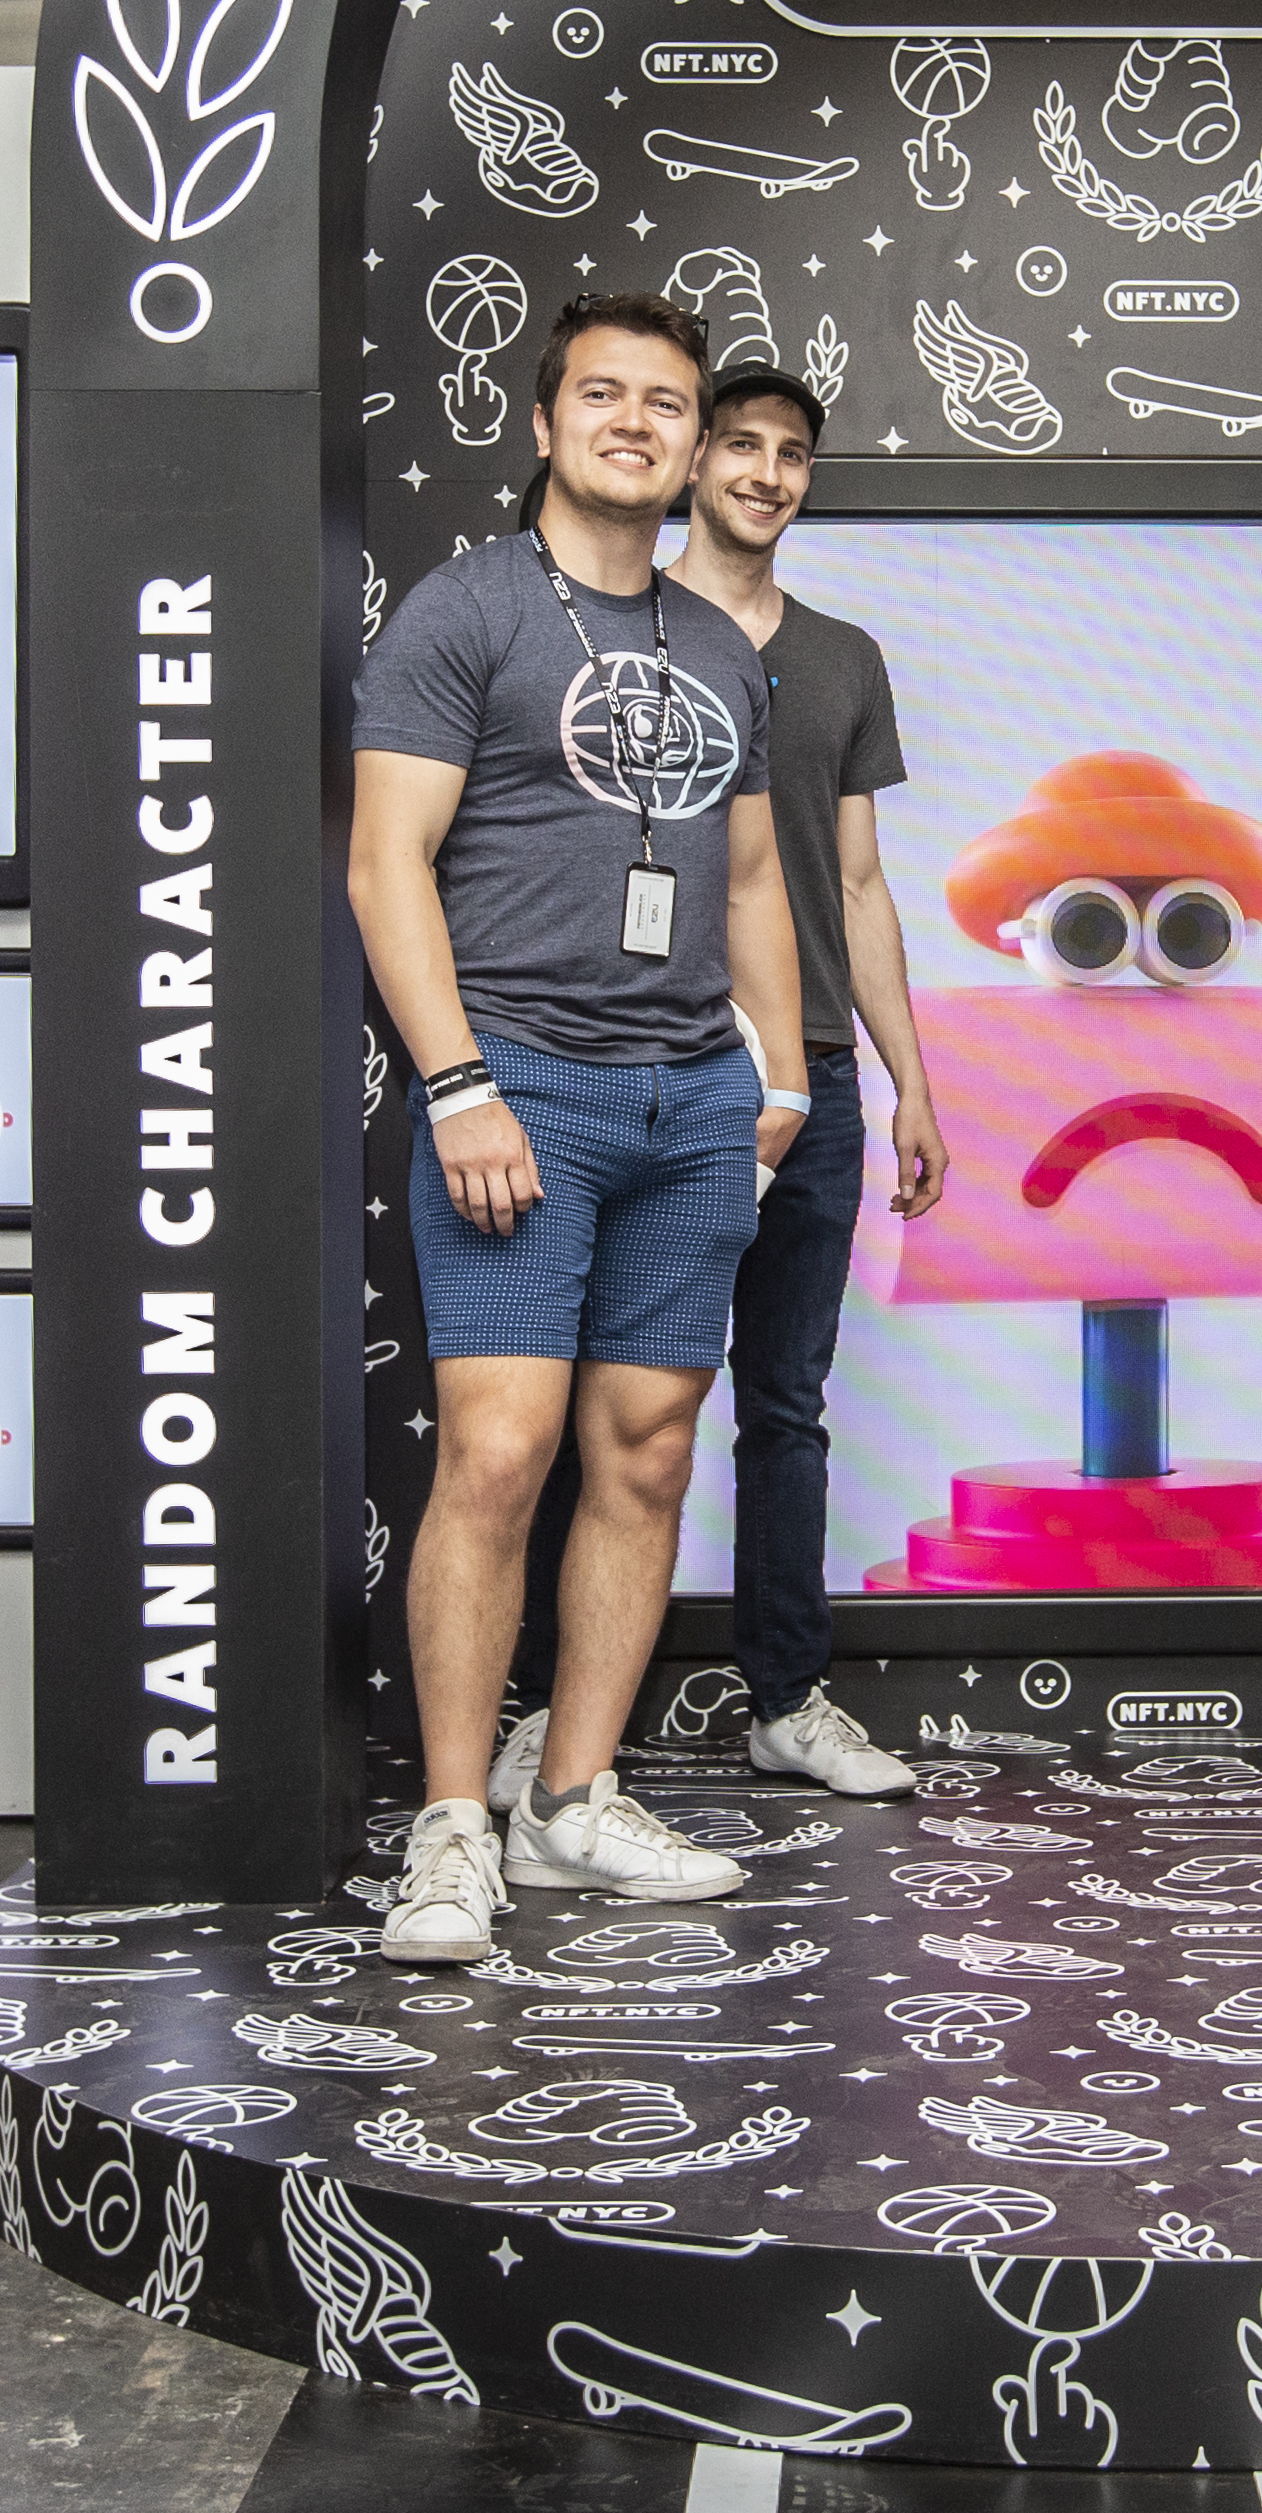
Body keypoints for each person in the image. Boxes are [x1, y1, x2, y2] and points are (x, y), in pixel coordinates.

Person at [349, 291, 811, 1964]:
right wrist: (459, 1081)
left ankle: (579, 1797)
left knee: (650, 1450)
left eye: (668, 403)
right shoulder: (463, 613)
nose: (638, 421)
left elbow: (750, 875)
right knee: (495, 1456)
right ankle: (455, 1826)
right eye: (603, 395)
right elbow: (382, 860)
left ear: (695, 446)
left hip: (692, 1096)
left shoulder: (718, 646)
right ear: (543, 427)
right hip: (520, 1080)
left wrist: (784, 1081)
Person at [492, 359, 951, 1807]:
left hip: (803, 1069)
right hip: (639, 1063)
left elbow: (859, 884)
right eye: (739, 442)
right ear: (690, 460)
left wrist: (910, 1082)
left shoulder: (842, 656)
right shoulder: (609, 632)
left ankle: (789, 1696)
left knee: (788, 1402)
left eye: (789, 452)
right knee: (578, 1400)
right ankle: (550, 1716)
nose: (762, 469)